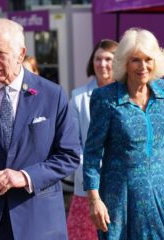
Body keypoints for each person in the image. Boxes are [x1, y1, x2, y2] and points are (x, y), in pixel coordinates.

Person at [0, 18, 80, 240]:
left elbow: (69, 155)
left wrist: (25, 176)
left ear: (21, 53)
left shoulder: (52, 95)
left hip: (38, 224)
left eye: (0, 52)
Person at [83, 28, 164, 240]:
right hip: (121, 198)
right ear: (124, 63)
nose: (143, 66)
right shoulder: (105, 98)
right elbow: (92, 154)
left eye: (148, 59)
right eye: (135, 60)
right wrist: (94, 200)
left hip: (162, 193)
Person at [67, 39, 118, 240]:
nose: (102, 64)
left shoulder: (130, 95)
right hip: (88, 188)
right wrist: (91, 175)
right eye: (98, 59)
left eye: (108, 59)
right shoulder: (78, 98)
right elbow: (72, 145)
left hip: (120, 185)